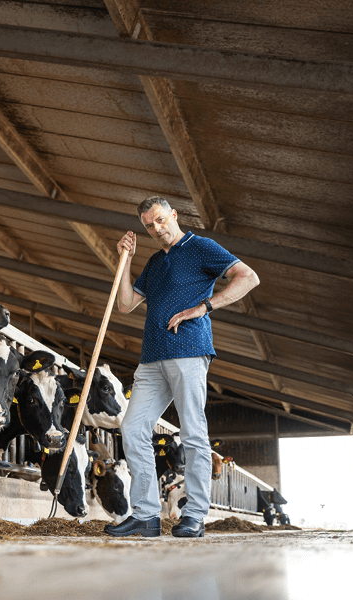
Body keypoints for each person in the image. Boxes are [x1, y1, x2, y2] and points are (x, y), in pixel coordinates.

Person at [104, 196, 260, 538]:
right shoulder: (156, 263)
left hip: (188, 351)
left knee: (192, 431)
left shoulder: (201, 247)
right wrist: (125, 260)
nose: (157, 229)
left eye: (161, 220)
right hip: (151, 358)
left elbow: (248, 277)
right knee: (132, 428)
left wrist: (204, 306)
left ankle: (195, 515)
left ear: (174, 215)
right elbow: (126, 305)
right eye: (149, 225)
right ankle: (145, 515)